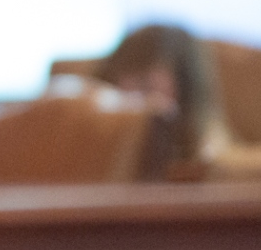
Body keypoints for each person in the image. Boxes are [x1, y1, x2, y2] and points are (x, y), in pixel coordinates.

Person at [94, 23, 233, 169]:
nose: (131, 99)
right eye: (117, 88)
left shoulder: (212, 145)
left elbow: (216, 152)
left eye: (145, 86)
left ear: (184, 86)